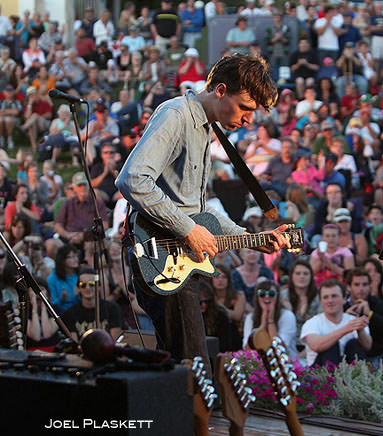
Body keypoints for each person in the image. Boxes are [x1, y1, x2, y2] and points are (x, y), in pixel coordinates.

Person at [115, 55, 289, 370]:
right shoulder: (175, 114)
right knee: (192, 368)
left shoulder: (206, 128)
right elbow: (132, 178)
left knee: (186, 366)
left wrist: (250, 239)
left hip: (176, 257)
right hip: (159, 254)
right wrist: (188, 230)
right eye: (246, 107)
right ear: (221, 89)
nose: (249, 119)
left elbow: (197, 211)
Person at [300, 279, 372, 367]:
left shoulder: (353, 320)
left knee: (354, 344)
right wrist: (345, 329)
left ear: (344, 299)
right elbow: (315, 345)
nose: (330, 300)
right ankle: (332, 380)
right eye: (325, 297)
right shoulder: (312, 322)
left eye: (334, 296)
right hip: (320, 372)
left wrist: (360, 331)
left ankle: (357, 378)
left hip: (349, 369)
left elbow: (368, 347)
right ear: (321, 301)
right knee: (330, 346)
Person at [345, 268, 383, 368]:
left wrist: (370, 314)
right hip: (348, 359)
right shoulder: (342, 305)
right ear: (349, 287)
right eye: (356, 284)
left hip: (376, 356)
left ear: (369, 286)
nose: (361, 289)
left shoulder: (376, 303)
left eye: (365, 284)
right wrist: (345, 317)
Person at [62, 267, 123, 341]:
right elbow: (74, 344)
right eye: (83, 285)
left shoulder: (113, 308)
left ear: (99, 287)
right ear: (78, 288)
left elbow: (115, 340)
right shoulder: (70, 313)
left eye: (91, 284)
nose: (87, 288)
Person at [243, 280, 297, 357]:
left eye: (271, 294)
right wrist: (263, 323)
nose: (267, 297)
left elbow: (279, 348)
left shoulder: (287, 315)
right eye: (262, 294)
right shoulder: (250, 318)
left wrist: (270, 320)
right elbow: (249, 349)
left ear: (277, 296)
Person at [54, 172, 109, 246]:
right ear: (74, 188)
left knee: (91, 245)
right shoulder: (67, 204)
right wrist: (67, 235)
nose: (82, 188)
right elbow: (58, 225)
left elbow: (105, 225)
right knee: (51, 244)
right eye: (79, 185)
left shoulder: (97, 203)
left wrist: (84, 235)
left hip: (91, 238)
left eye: (84, 184)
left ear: (89, 185)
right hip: (69, 238)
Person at [199, 280, 242, 352]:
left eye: (207, 301)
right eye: (200, 302)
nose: (204, 305)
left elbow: (225, 344)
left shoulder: (220, 315)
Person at [47, 244, 79, 314]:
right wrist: (61, 299)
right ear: (63, 260)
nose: (76, 259)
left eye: (76, 256)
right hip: (63, 315)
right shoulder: (52, 279)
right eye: (71, 257)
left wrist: (79, 295)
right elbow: (52, 304)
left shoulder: (80, 275)